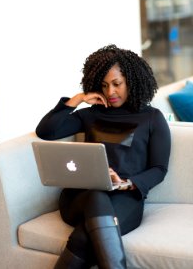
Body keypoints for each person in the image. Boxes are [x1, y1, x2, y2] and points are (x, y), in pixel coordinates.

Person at [36, 44, 171, 269]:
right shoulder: (91, 114)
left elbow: (159, 169)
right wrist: (78, 99)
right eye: (104, 85)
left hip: (125, 199)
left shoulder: (152, 119)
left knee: (83, 238)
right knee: (96, 196)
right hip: (80, 197)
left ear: (132, 80)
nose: (110, 92)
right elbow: (47, 131)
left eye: (117, 84)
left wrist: (126, 184)